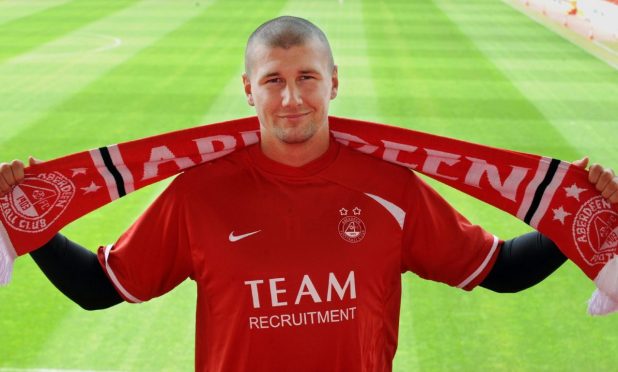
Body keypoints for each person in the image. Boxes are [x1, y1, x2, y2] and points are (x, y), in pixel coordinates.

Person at [1, 16, 617, 372]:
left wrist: (580, 216)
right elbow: (98, 288)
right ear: (248, 89)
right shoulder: (199, 193)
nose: (291, 98)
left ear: (333, 83)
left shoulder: (390, 186)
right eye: (274, 80)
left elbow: (502, 270)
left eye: (306, 79)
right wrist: (29, 219)